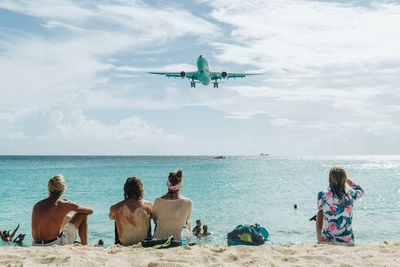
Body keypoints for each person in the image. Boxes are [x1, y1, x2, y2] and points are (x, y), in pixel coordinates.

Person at [31, 174, 93, 246]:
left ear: (49, 188)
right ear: (63, 188)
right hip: (54, 244)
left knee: (61, 219)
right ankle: (85, 245)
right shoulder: (63, 204)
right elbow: (89, 211)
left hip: (35, 245)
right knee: (82, 213)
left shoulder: (37, 205)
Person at [316, 167, 364, 243]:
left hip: (327, 239)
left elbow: (320, 213)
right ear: (344, 180)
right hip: (347, 240)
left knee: (320, 212)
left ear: (330, 179)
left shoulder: (322, 195)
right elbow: (360, 190)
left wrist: (319, 238)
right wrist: (347, 180)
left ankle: (319, 238)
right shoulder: (350, 195)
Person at [109, 177, 153, 245]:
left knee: (117, 218)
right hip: (143, 242)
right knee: (148, 216)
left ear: (125, 190)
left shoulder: (116, 207)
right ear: (140, 190)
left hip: (123, 242)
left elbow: (111, 217)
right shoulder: (149, 205)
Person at [153, 168, 192, 241]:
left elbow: (155, 220)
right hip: (179, 239)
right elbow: (186, 220)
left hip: (159, 239)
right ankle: (187, 242)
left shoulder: (157, 200)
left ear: (167, 184)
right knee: (187, 222)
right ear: (180, 185)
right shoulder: (188, 202)